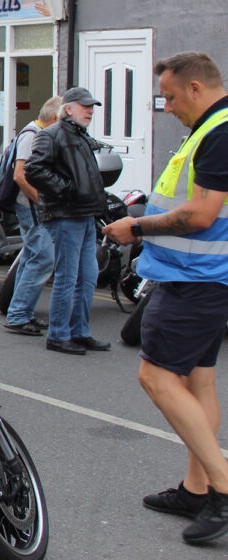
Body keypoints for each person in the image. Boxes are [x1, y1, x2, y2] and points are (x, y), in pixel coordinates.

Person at [102, 53, 228, 545]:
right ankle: (197, 489)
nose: (168, 106)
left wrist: (135, 227)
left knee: (156, 376)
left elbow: (199, 214)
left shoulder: (218, 133)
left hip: (195, 278)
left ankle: (221, 485)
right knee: (199, 382)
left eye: (172, 97)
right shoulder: (213, 127)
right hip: (207, 277)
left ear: (196, 88)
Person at [24, 87, 110, 355]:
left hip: (84, 215)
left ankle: (79, 332)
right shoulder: (51, 134)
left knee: (87, 277)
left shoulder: (80, 136)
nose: (90, 110)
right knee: (67, 277)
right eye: (85, 106)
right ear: (68, 108)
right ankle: (59, 334)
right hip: (65, 216)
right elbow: (33, 169)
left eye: (92, 106)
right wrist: (66, 189)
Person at [3, 96, 62, 336]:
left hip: (32, 206)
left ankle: (19, 311)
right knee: (43, 257)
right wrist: (41, 201)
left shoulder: (38, 133)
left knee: (32, 255)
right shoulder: (33, 135)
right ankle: (18, 314)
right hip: (31, 207)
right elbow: (20, 175)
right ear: (56, 118)